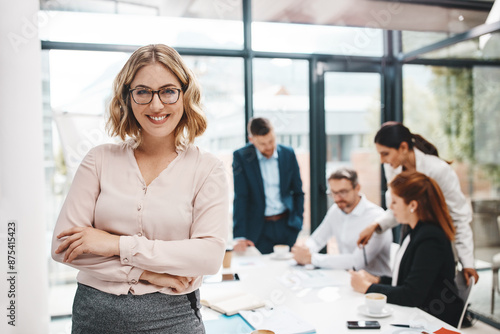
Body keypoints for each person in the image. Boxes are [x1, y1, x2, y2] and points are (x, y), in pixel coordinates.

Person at [51, 44, 229, 334]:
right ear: (127, 98)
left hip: (172, 319)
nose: (156, 105)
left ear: (185, 95)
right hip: (95, 319)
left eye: (168, 91)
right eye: (143, 91)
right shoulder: (99, 160)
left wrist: (113, 244)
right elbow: (63, 248)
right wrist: (148, 272)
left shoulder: (207, 169)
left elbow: (207, 256)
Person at [357, 121, 479, 284]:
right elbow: (397, 207)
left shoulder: (438, 170)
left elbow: (459, 217)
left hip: (436, 237)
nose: (382, 160)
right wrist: (375, 226)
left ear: (403, 147)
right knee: (408, 282)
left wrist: (467, 262)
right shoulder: (392, 167)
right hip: (412, 231)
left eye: (385, 153)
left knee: (428, 289)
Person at [351, 171, 464, 327]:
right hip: (417, 315)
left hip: (432, 321)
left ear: (412, 205)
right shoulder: (414, 230)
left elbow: (411, 295)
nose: (390, 207)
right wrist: (377, 280)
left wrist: (367, 288)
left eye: (395, 202)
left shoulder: (430, 238)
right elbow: (409, 281)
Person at [292, 168, 392, 276]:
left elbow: (356, 262)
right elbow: (317, 239)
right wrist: (305, 250)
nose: (337, 199)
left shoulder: (376, 218)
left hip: (374, 283)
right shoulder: (336, 210)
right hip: (346, 278)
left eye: (343, 192)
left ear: (357, 188)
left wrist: (312, 258)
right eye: (333, 193)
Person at [232, 117, 304, 254]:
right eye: (263, 144)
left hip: (287, 226)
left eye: (271, 141)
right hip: (259, 230)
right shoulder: (241, 157)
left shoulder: (288, 154)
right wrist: (240, 235)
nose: (269, 147)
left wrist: (298, 222)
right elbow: (241, 197)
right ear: (252, 140)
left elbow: (298, 192)